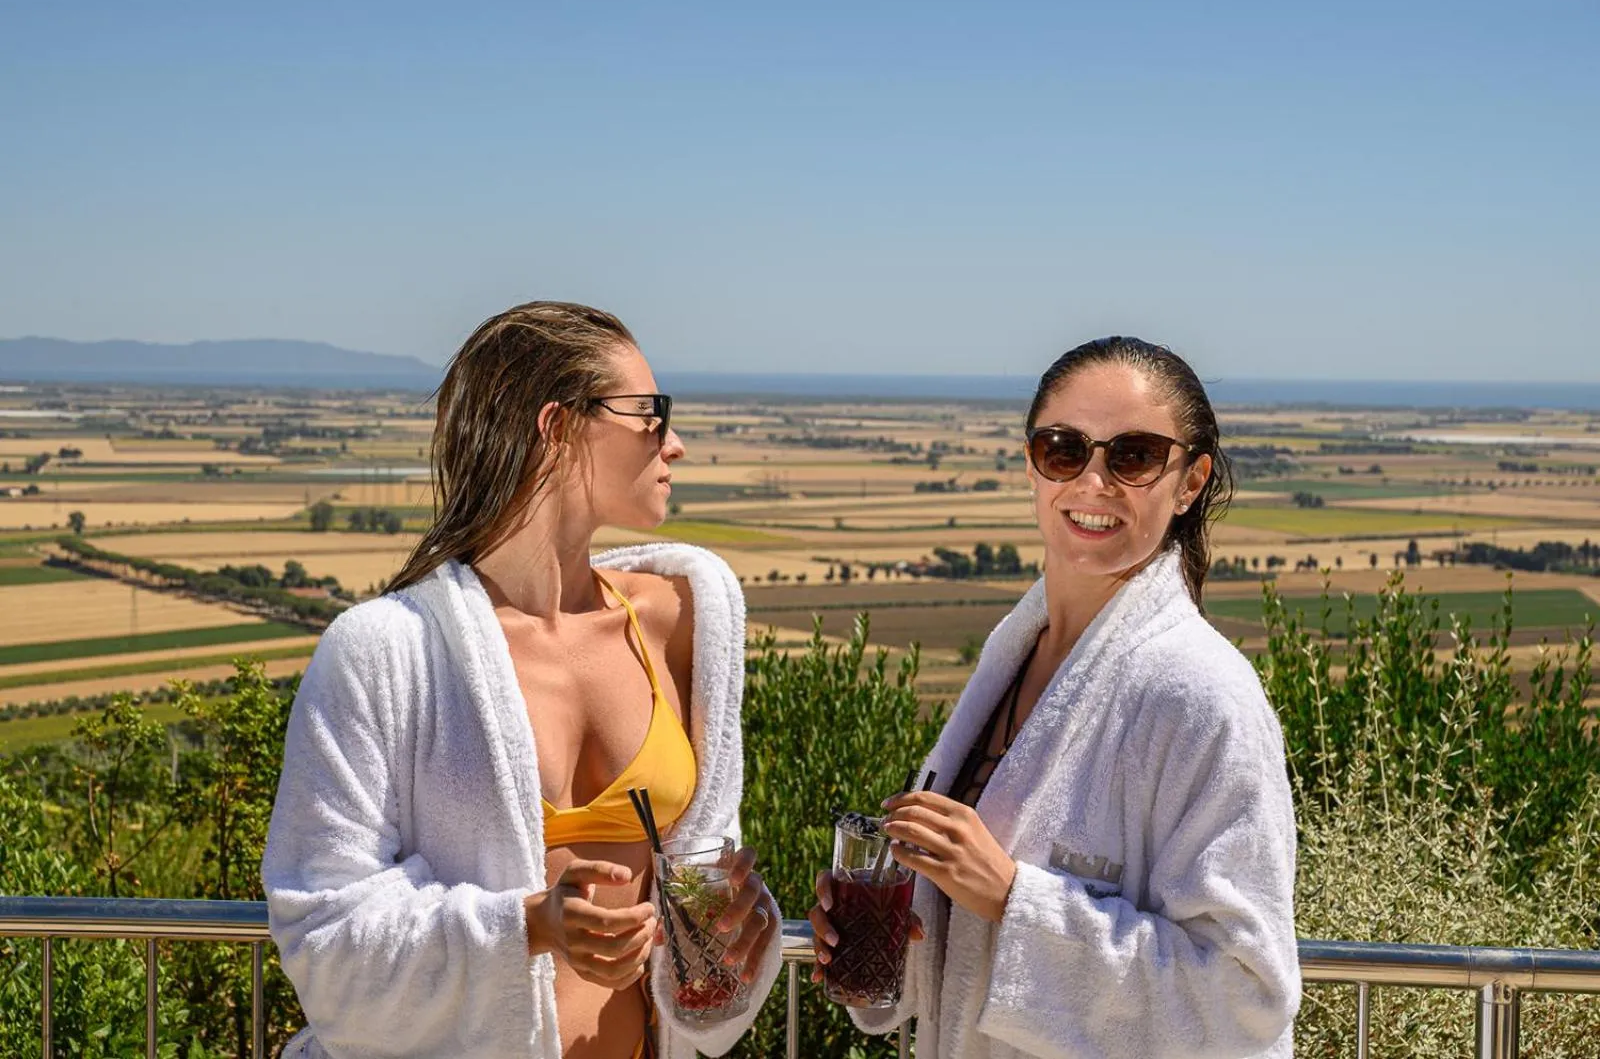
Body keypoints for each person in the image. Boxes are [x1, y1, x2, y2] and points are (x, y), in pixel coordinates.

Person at [262, 302, 783, 1059]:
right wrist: (528, 926)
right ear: (558, 427)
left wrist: (732, 935)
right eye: (650, 413)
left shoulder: (683, 626)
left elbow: (701, 896)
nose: (675, 442)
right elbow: (325, 935)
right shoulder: (385, 652)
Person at [809, 336, 1300, 1058]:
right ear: (1033, 463)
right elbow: (974, 950)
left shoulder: (1201, 694)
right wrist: (891, 940)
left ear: (1190, 481)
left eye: (1132, 455)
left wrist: (1015, 900)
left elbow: (1245, 999)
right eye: (1065, 449)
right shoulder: (1013, 659)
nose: (1093, 482)